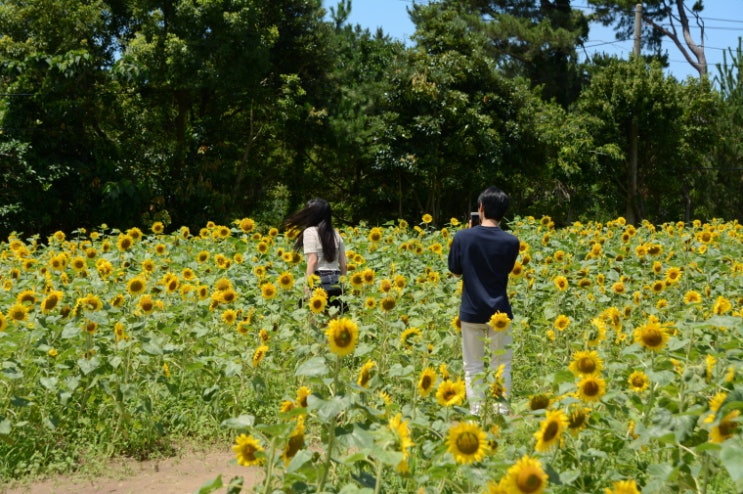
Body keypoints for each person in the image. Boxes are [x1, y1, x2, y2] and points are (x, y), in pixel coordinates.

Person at [447, 186, 520, 415]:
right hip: (499, 312)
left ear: (481, 208)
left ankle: (477, 411)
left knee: (473, 366)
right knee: (502, 364)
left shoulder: (462, 237)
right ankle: (500, 410)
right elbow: (505, 270)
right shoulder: (511, 242)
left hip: (471, 310)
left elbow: (455, 271)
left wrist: (469, 236)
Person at [283, 198, 348, 311]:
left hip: (319, 281)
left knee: (315, 322)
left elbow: (313, 260)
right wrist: (342, 286)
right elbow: (343, 264)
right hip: (336, 280)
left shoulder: (310, 232)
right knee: (332, 321)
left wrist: (308, 286)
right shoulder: (335, 233)